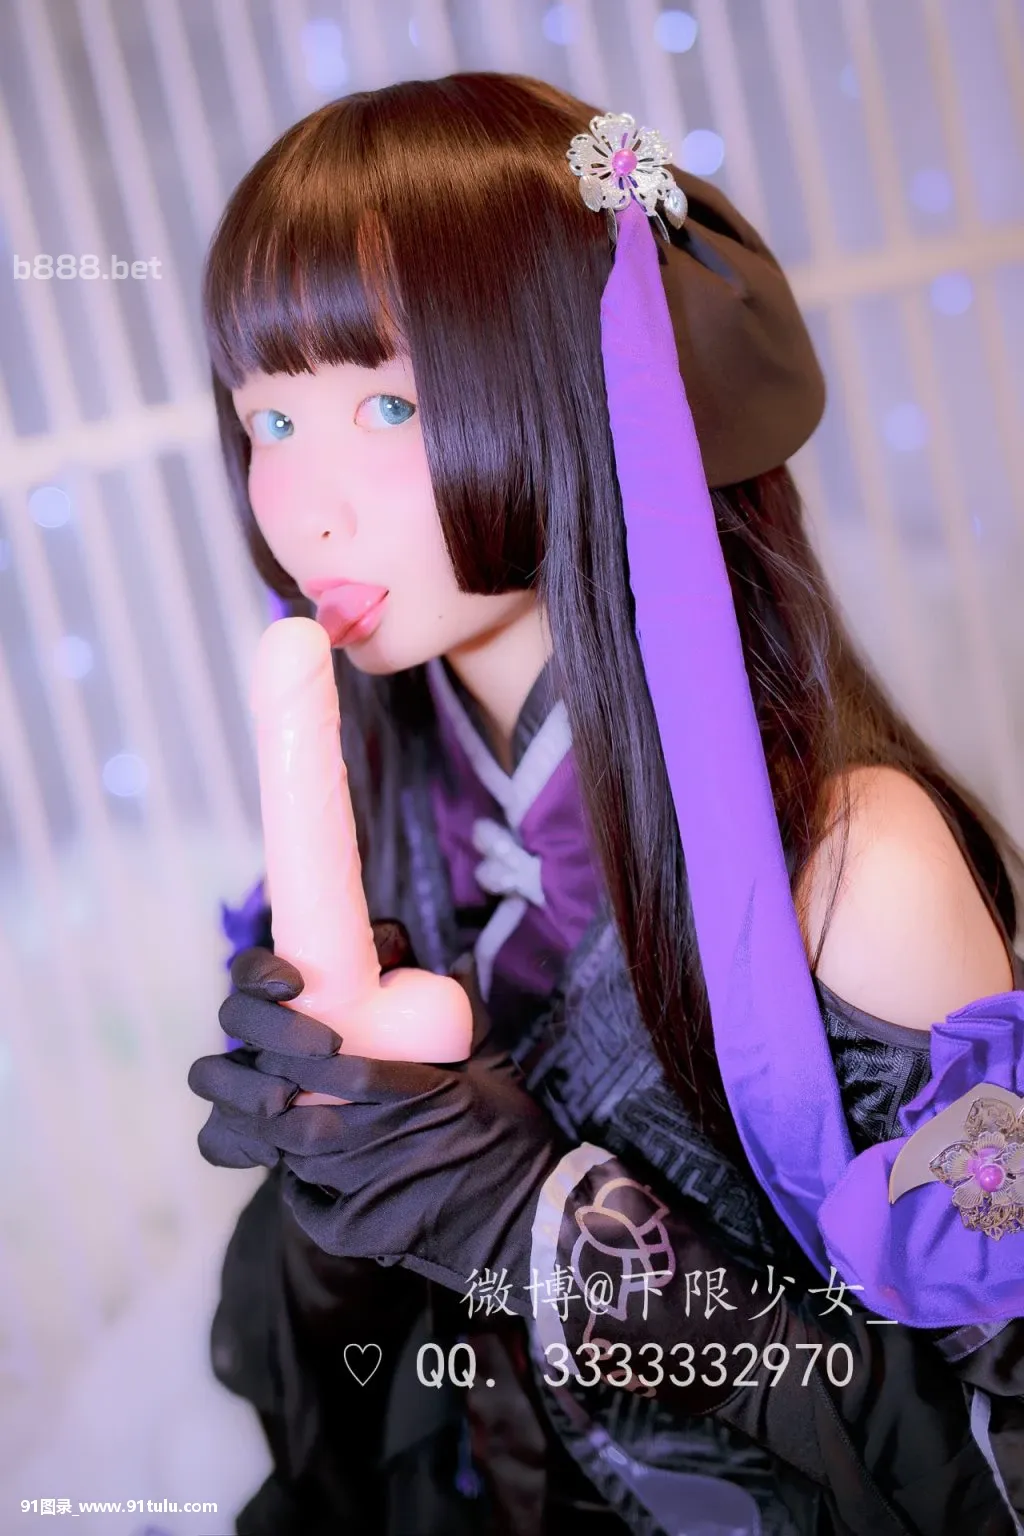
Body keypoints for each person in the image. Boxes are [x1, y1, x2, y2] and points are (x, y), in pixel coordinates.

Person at [188, 72, 1024, 1536]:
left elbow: (983, 1467)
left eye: (386, 402)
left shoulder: (852, 867)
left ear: (586, 387)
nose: (303, 506)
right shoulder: (384, 845)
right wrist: (333, 1188)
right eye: (269, 420)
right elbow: (351, 1415)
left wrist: (543, 1225)